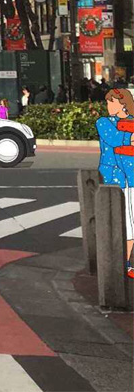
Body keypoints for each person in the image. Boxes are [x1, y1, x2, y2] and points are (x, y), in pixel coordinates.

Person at [95, 88, 134, 278]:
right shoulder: (104, 122)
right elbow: (114, 138)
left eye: (111, 102)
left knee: (132, 224)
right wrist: (130, 138)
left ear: (123, 103)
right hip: (113, 178)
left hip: (131, 178)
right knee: (120, 221)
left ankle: (127, 264)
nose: (108, 106)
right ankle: (120, 265)